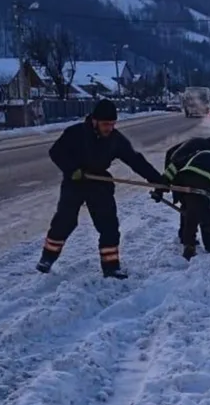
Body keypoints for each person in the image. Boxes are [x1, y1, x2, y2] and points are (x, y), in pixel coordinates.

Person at [36, 99, 164, 279]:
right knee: (65, 221)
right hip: (76, 181)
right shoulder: (75, 133)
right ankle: (47, 259)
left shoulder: (115, 139)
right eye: (105, 124)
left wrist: (157, 180)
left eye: (112, 124)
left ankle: (111, 267)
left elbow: (135, 160)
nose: (109, 128)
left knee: (109, 226)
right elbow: (56, 152)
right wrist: (72, 169)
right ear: (94, 121)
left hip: (99, 182)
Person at [158, 148, 210, 259]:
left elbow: (174, 166)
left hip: (185, 179)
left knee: (191, 212)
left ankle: (189, 246)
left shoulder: (198, 153)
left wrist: (159, 188)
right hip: (206, 182)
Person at [157, 135, 210, 245]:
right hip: (181, 169)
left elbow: (173, 167)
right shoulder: (203, 154)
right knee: (199, 204)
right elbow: (175, 166)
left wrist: (161, 188)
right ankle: (208, 243)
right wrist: (161, 188)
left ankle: (186, 238)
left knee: (188, 204)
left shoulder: (199, 146)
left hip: (179, 169)